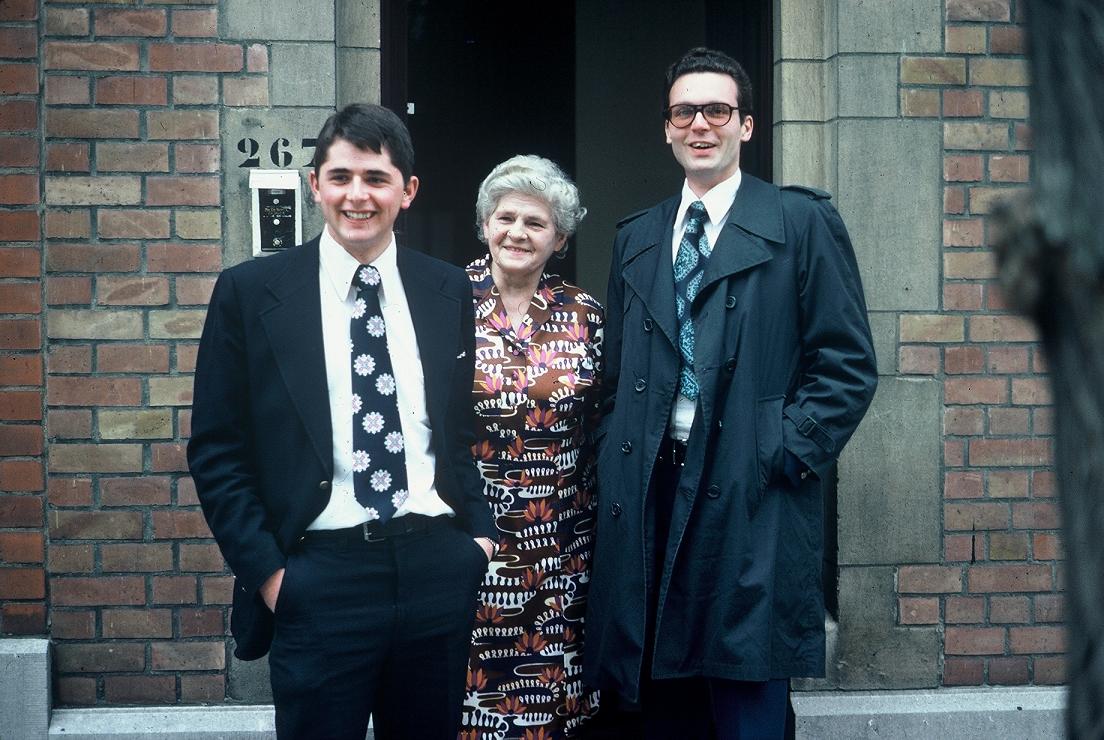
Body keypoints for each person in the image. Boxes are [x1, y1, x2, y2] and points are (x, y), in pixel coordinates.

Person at [583, 48, 878, 738]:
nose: (700, 125)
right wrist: (612, 455)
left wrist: (781, 450)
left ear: (747, 125)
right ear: (666, 128)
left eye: (718, 110)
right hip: (651, 488)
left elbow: (847, 365)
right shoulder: (637, 237)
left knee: (746, 697)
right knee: (660, 700)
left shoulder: (799, 223)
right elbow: (616, 378)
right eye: (685, 111)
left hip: (751, 492)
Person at [187, 103, 496, 740]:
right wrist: (272, 576)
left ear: (408, 191)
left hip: (435, 567)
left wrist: (478, 543)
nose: (359, 195)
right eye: (342, 177)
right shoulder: (251, 291)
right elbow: (218, 449)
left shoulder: (446, 289)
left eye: (377, 178)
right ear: (315, 185)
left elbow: (457, 430)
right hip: (317, 575)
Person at [460, 155, 604, 738]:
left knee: (551, 699)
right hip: (471, 532)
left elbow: (608, 418)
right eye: (506, 217)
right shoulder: (441, 300)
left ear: (560, 238)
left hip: (562, 545)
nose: (518, 232)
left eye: (536, 223)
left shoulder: (587, 314)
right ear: (485, 225)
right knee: (470, 701)